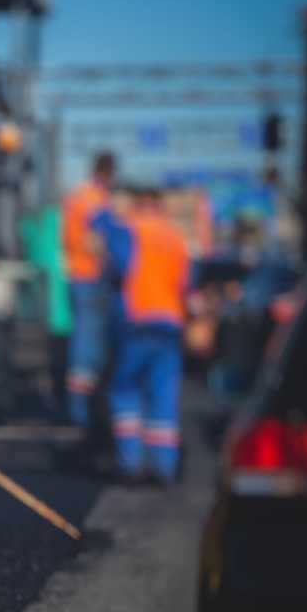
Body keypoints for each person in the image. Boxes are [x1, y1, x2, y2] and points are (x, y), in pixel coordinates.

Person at [98, 186, 192, 485]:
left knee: (126, 391)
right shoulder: (174, 236)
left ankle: (131, 465)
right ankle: (164, 468)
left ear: (138, 204)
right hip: (170, 323)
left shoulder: (130, 229)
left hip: (137, 320)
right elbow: (185, 282)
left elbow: (119, 269)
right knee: (163, 395)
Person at [60, 152, 117, 429]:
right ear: (107, 173)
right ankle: (83, 412)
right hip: (90, 275)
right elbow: (105, 238)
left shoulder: (78, 195)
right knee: (89, 345)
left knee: (82, 341)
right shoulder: (95, 199)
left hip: (76, 273)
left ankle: (79, 407)